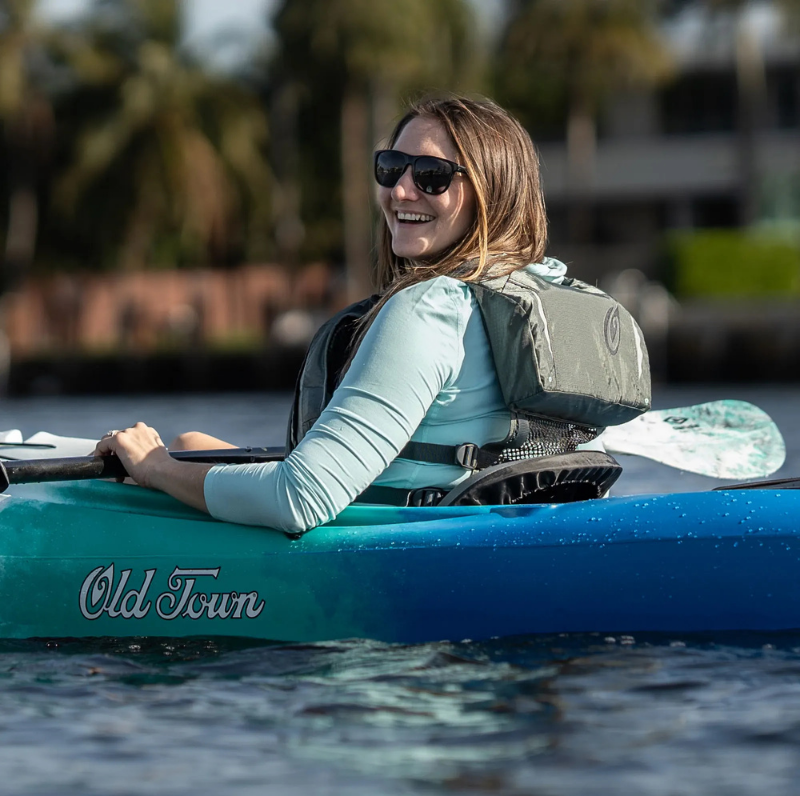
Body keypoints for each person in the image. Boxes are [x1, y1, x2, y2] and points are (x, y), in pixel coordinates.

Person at [95, 95, 650, 533]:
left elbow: (301, 498)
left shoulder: (431, 307)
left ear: (492, 193)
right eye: (391, 168)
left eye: (432, 175)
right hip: (505, 525)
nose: (400, 190)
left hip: (415, 555)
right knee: (193, 443)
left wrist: (154, 470)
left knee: (172, 461)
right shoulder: (553, 292)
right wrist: (176, 461)